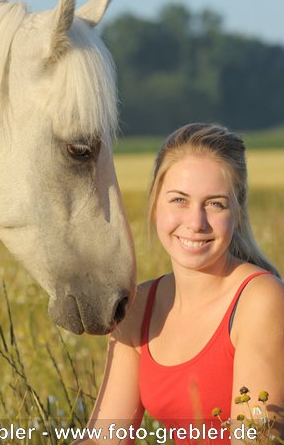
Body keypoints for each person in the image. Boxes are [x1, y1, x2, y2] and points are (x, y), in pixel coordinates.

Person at [76, 123, 284, 444]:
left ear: (238, 212)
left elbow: (256, 439)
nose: (195, 223)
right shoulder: (139, 306)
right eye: (179, 200)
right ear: (155, 202)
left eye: (215, 203)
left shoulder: (260, 299)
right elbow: (105, 438)